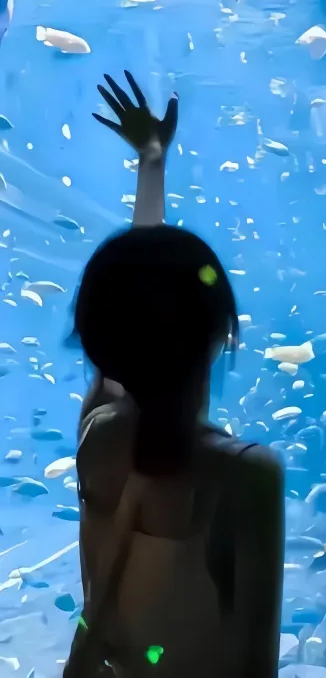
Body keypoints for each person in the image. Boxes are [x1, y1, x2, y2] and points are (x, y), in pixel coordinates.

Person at [64, 71, 284, 678]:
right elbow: (255, 662)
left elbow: (138, 302)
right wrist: (154, 159)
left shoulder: (98, 438)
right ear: (220, 338)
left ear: (101, 344)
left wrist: (151, 162)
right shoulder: (246, 476)